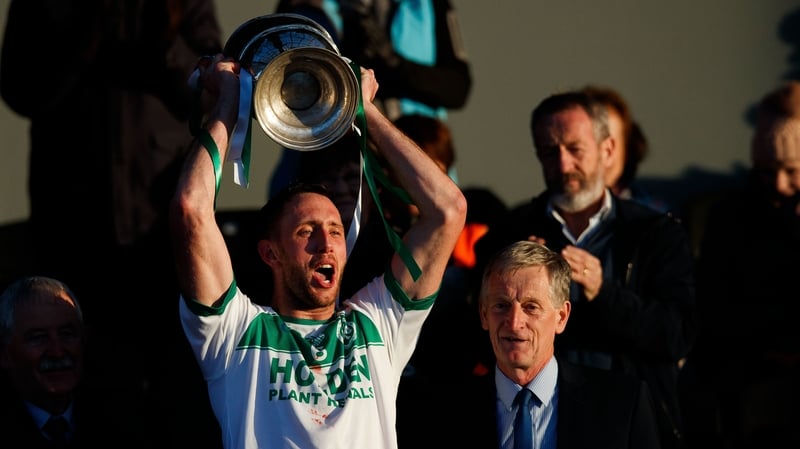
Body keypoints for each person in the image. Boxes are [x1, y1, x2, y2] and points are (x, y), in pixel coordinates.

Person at [169, 53, 467, 449]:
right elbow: (191, 207)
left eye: (335, 231)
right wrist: (227, 104)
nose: (326, 243)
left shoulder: (379, 324)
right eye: (306, 232)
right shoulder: (234, 333)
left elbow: (447, 211)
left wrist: (365, 112)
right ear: (270, 253)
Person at [0, 1, 224, 435]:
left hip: (163, 232)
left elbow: (211, 92)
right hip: (74, 227)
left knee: (174, 379)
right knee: (89, 381)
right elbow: (20, 90)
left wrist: (164, 40)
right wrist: (89, 30)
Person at [473, 90, 697, 449]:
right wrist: (518, 279)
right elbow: (480, 330)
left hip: (623, 421)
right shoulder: (508, 234)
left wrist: (604, 292)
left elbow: (677, 335)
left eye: (574, 149)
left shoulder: (656, 233)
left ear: (607, 150)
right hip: (533, 416)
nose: (563, 165)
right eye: (549, 152)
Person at [429, 240, 662, 448]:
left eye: (531, 306)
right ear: (483, 314)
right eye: (501, 305)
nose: (514, 322)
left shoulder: (622, 405)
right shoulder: (444, 411)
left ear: (561, 317)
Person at [684, 80, 800, 449]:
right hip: (748, 403)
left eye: (792, 170)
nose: (779, 184)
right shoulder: (729, 218)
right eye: (768, 171)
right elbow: (714, 309)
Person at [268, 0, 472, 198]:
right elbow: (273, 84)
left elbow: (457, 89)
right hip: (325, 169)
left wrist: (395, 65)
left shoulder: (429, 5)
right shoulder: (301, 4)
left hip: (411, 165)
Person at [0, 276, 142, 448]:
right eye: (38, 338)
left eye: (67, 334)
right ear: (5, 354)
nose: (57, 352)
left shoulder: (123, 420)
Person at [580, 85, 668, 212]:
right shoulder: (547, 212)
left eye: (609, 143)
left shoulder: (654, 215)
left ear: (628, 148)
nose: (601, 155)